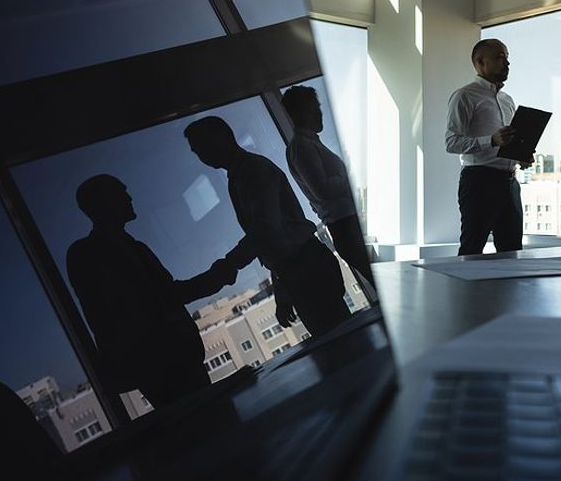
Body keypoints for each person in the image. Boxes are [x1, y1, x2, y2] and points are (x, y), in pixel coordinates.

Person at [66, 174, 235, 407]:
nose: (129, 197)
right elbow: (157, 298)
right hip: (160, 367)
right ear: (104, 202)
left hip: (178, 360)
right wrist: (214, 279)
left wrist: (214, 278)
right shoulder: (86, 254)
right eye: (121, 192)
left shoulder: (134, 247)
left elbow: (162, 294)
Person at [184, 116, 351, 337]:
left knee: (341, 341)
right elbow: (271, 241)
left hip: (307, 268)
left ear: (223, 137)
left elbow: (265, 231)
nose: (201, 156)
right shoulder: (240, 176)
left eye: (202, 147)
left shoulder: (253, 170)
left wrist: (227, 266)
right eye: (197, 151)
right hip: (300, 268)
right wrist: (282, 289)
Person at [445, 38, 531, 255]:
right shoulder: (464, 96)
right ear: (480, 62)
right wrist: (491, 140)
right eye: (501, 57)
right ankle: (465, 291)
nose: (507, 63)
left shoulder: (508, 100)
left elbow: (507, 141)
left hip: (510, 183)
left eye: (508, 58)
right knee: (472, 249)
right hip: (479, 182)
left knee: (512, 252)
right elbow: (452, 142)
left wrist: (520, 156)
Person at [281, 85, 374, 285]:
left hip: (347, 226)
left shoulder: (308, 144)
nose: (320, 113)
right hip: (346, 228)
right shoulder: (301, 147)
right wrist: (347, 173)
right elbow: (323, 190)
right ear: (303, 112)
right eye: (315, 108)